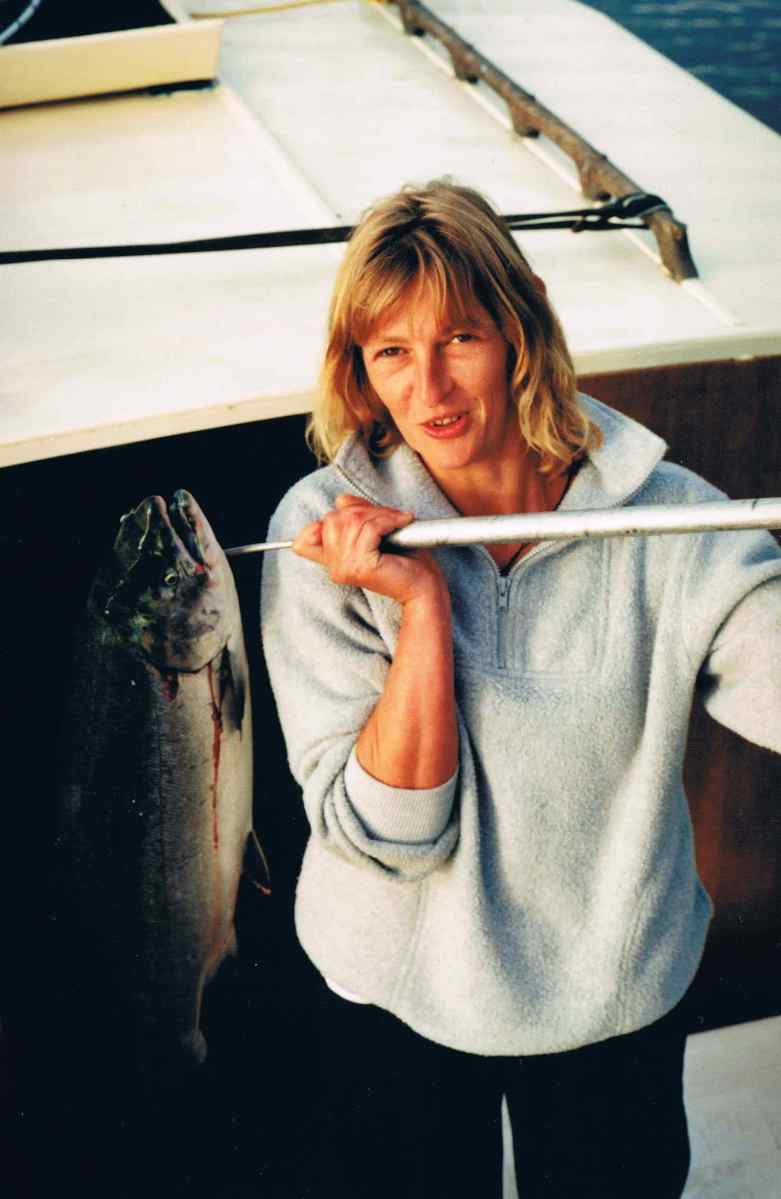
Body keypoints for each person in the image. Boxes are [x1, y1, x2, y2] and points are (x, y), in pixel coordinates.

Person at [260, 180, 781, 1198]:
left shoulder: (669, 519)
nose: (429, 387)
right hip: (392, 987)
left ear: (521, 321)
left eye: (458, 337)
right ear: (359, 367)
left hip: (610, 993)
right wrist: (419, 605)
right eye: (390, 352)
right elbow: (393, 835)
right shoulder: (322, 527)